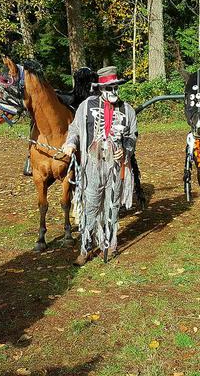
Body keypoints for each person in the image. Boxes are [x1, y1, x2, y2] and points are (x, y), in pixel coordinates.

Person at [62, 66, 138, 266]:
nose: (113, 92)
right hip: (92, 165)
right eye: (109, 89)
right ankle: (85, 248)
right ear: (101, 89)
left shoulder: (127, 109)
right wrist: (71, 144)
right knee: (91, 206)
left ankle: (110, 244)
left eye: (115, 88)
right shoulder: (86, 107)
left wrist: (127, 150)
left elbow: (132, 135)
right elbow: (75, 130)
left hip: (115, 166)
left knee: (112, 206)